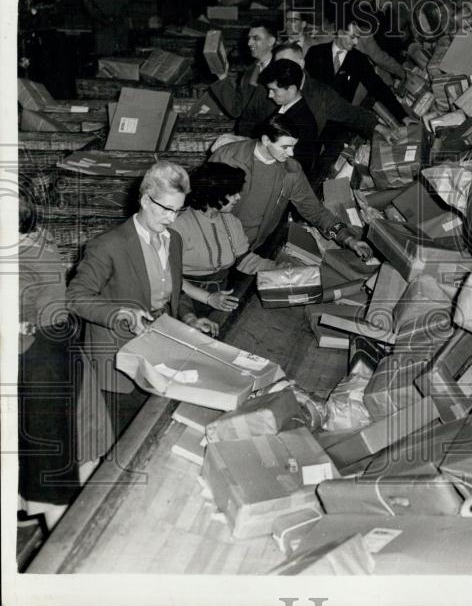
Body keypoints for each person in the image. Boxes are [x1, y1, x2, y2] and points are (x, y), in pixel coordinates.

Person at [66, 162, 217, 454]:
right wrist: (120, 313)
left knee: (152, 434)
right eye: (166, 209)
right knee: (119, 447)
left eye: (178, 210)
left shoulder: (173, 240)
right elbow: (74, 297)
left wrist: (188, 317)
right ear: (146, 200)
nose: (172, 218)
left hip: (159, 352)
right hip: (117, 363)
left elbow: (174, 290)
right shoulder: (108, 245)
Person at [18, 198, 106, 530]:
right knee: (62, 453)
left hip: (37, 360)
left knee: (49, 464)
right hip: (55, 349)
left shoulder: (24, 255)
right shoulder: (37, 238)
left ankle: (61, 536)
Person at [208, 115, 372, 259]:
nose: (292, 153)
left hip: (251, 245)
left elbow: (314, 210)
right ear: (266, 140)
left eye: (293, 146)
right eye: (285, 147)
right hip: (215, 239)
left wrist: (347, 238)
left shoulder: (291, 171)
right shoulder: (227, 158)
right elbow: (203, 204)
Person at [171, 163, 282, 315]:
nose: (238, 197)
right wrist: (208, 298)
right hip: (183, 296)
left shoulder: (231, 221)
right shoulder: (179, 225)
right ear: (212, 193)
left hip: (221, 293)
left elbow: (243, 259)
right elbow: (167, 276)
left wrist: (276, 267)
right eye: (232, 193)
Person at [304, 15, 407, 120]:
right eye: (352, 37)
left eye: (357, 38)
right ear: (341, 33)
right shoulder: (315, 52)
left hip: (340, 119)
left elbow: (379, 87)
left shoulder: (359, 59)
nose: (356, 42)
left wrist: (403, 116)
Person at [208, 20, 278, 128]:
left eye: (256, 38)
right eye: (249, 38)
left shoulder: (281, 69)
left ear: (271, 41)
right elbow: (236, 110)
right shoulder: (249, 73)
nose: (249, 43)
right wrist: (222, 77)